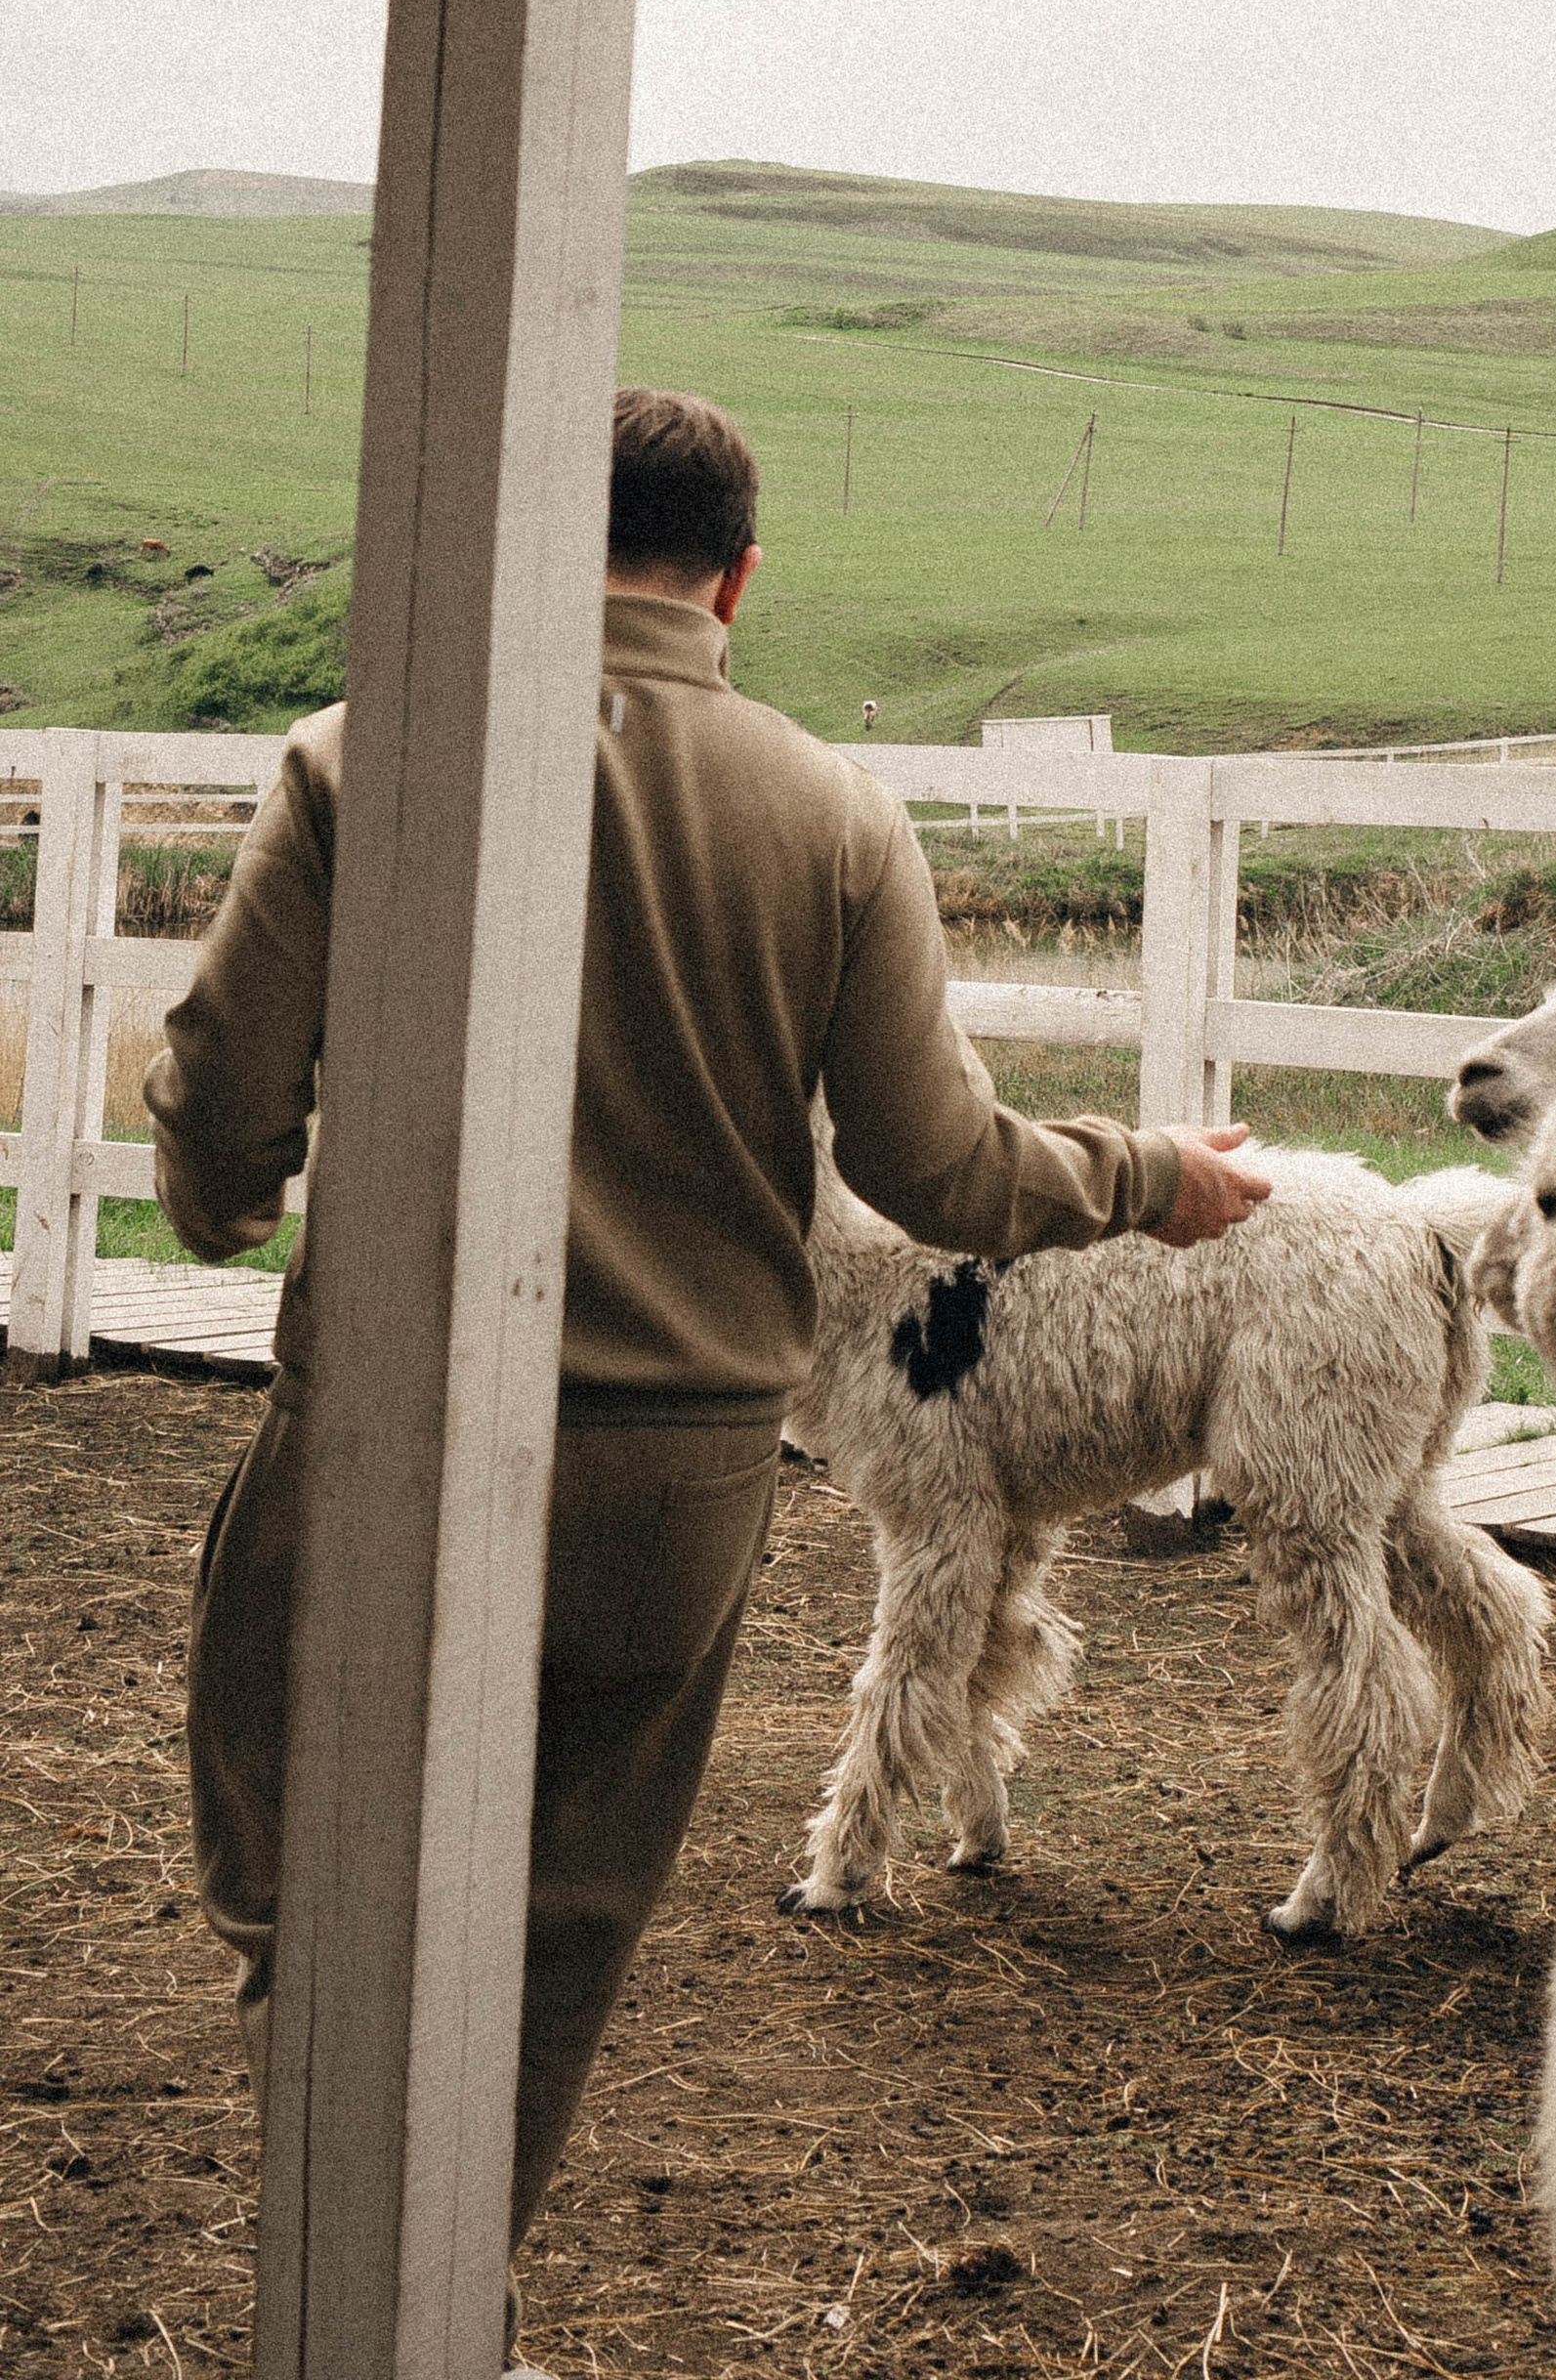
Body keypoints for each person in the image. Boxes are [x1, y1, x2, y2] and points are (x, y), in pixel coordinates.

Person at [148, 386, 1266, 2348]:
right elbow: (938, 1168)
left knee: (291, 1849)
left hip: (383, 1427)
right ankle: (436, 2300)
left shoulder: (358, 758)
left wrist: (221, 1188)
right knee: (561, 1924)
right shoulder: (833, 815)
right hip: (672, 1471)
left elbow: (232, 1083)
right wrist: (1149, 1177)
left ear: (517, 537)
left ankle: (331, 2237)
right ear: (738, 575)